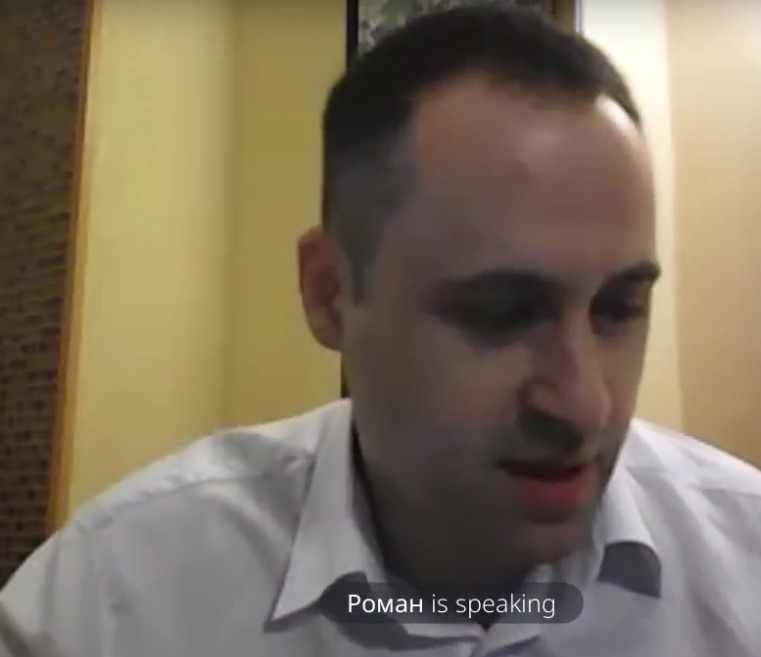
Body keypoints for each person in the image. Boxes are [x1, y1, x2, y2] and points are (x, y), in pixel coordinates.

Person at [1, 5, 759, 656]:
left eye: (618, 308)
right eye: (500, 313)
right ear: (330, 294)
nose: (585, 404)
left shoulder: (744, 563)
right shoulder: (110, 601)